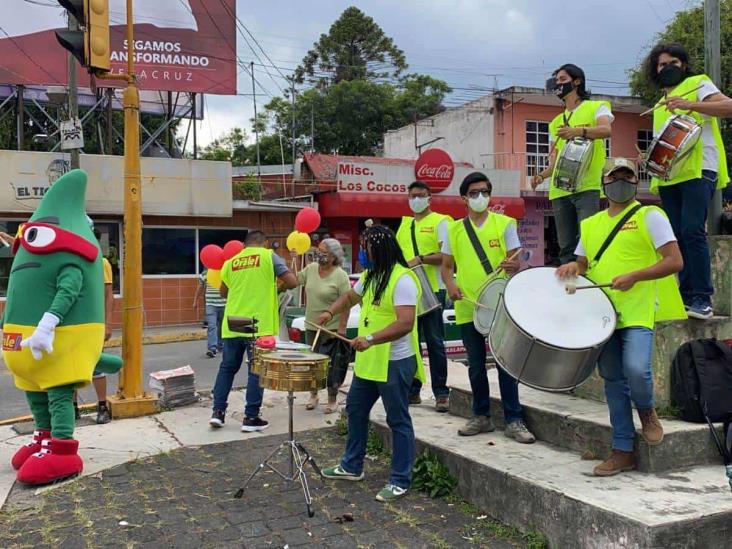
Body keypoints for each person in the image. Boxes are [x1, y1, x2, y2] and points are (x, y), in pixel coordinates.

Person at [557, 158, 686, 476]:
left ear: (635, 181)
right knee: (613, 383)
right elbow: (584, 264)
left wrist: (637, 275)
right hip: (601, 314)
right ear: (604, 183)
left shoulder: (650, 215)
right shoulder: (591, 224)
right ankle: (622, 450)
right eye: (615, 177)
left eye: (627, 176)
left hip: (638, 309)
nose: (621, 181)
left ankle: (647, 412)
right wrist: (574, 270)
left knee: (636, 370)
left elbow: (674, 261)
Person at [318, 225, 425, 502]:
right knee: (355, 409)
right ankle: (352, 466)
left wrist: (371, 338)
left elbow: (405, 323)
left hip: (393, 361)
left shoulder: (403, 279)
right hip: (369, 361)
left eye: (365, 248)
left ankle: (400, 480)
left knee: (397, 419)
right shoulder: (370, 276)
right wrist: (330, 310)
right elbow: (351, 297)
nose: (362, 253)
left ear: (379, 250)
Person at [441, 172, 535, 443]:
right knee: (475, 364)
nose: (480, 197)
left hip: (498, 304)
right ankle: (480, 416)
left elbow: (515, 261)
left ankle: (514, 420)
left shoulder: (504, 223)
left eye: (484, 191)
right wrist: (450, 286)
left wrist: (512, 265)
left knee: (505, 363)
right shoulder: (454, 229)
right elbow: (447, 267)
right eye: (473, 192)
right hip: (468, 305)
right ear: (464, 198)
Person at [643, 43, 732, 320]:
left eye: (673, 63)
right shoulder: (659, 103)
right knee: (676, 236)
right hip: (670, 175)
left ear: (683, 64)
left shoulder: (698, 83)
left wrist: (690, 104)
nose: (667, 68)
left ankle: (702, 297)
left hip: (698, 170)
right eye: (661, 64)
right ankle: (684, 296)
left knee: (693, 230)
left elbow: (728, 106)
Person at [209, 230, 298, 431]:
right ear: (265, 242)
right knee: (256, 371)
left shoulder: (232, 262)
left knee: (227, 368)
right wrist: (277, 288)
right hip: (257, 323)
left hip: (234, 321)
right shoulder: (268, 256)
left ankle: (218, 413)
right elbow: (292, 281)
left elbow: (224, 292)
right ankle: (250, 418)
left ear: (244, 245)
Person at [532, 63, 614, 265]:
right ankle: (568, 285)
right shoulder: (556, 121)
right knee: (566, 244)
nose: (558, 84)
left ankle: (589, 280)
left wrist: (577, 131)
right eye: (556, 81)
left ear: (577, 81)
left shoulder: (597, 106)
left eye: (562, 80)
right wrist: (542, 175)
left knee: (587, 239)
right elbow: (557, 159)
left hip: (587, 187)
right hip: (560, 190)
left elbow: (606, 130)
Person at [395, 181, 452, 412]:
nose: (415, 200)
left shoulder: (441, 221)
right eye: (412, 196)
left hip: (432, 290)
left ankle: (441, 393)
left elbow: (447, 256)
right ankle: (413, 390)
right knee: (411, 343)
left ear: (430, 198)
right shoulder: (404, 224)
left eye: (420, 195)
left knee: (434, 342)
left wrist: (421, 259)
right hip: (408, 292)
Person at [293, 238, 351, 413]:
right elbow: (295, 280)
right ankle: (313, 394)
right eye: (318, 250)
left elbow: (347, 302)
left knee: (331, 364)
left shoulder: (340, 275)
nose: (319, 254)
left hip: (331, 328)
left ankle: (332, 398)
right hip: (311, 325)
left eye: (323, 252)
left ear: (334, 256)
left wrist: (342, 328)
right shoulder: (311, 269)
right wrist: (294, 260)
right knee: (313, 363)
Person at [194, 267, 226, 358]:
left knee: (222, 327)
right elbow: (200, 287)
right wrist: (195, 300)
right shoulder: (205, 274)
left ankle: (221, 345)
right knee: (212, 326)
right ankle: (212, 348)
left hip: (224, 304)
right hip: (211, 304)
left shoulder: (225, 271)